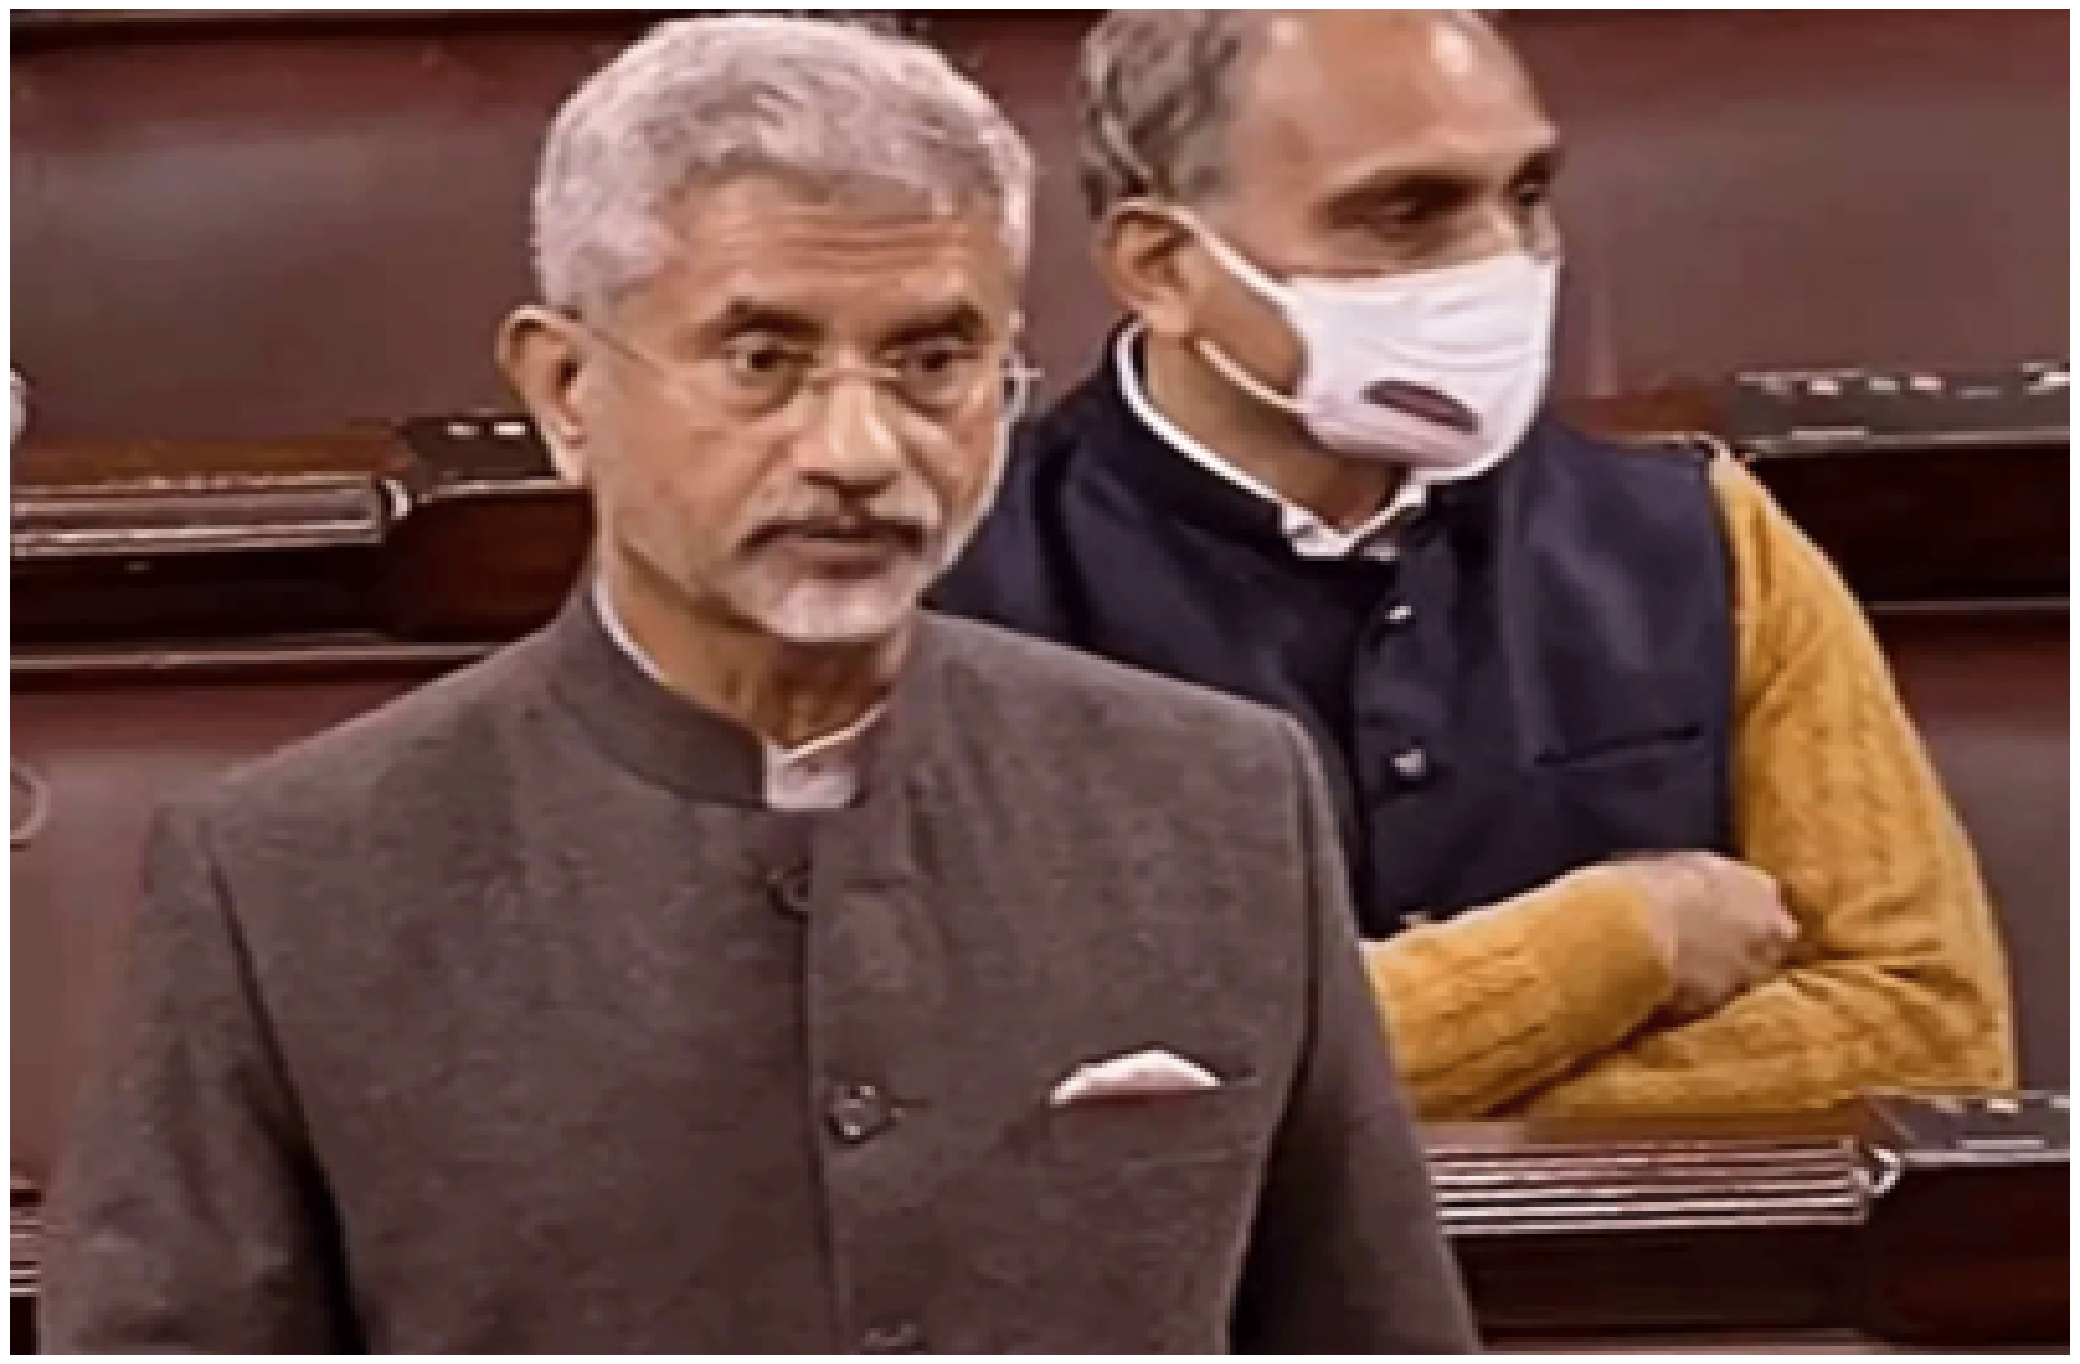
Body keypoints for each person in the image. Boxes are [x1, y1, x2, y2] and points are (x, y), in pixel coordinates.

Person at [40, 16, 1479, 1355]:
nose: (857, 448)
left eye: (931, 360)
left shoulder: (1221, 802)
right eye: (762, 359)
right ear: (564, 392)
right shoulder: (288, 877)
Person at [934, 10, 2014, 1120]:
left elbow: (1930, 1031)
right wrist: (1617, 938)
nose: (1500, 259)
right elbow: (1009, 1089)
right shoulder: (946, 593)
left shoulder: (1707, 535)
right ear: (1162, 268)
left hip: (1635, 1246)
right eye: (1408, 213)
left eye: (1527, 195)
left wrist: (1390, 1116)